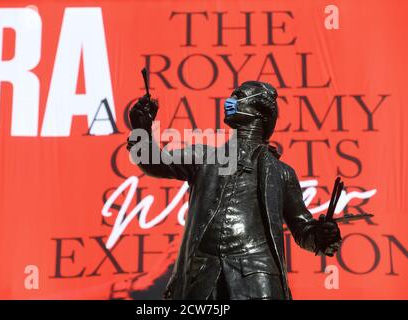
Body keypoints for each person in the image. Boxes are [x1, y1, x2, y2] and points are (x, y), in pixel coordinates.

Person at [126, 81, 341, 300]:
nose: (230, 102)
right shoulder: (205, 156)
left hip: (257, 275)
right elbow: (155, 161)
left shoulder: (280, 173)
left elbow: (303, 228)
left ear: (261, 110)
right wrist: (141, 130)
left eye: (238, 96)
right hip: (203, 273)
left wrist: (323, 235)